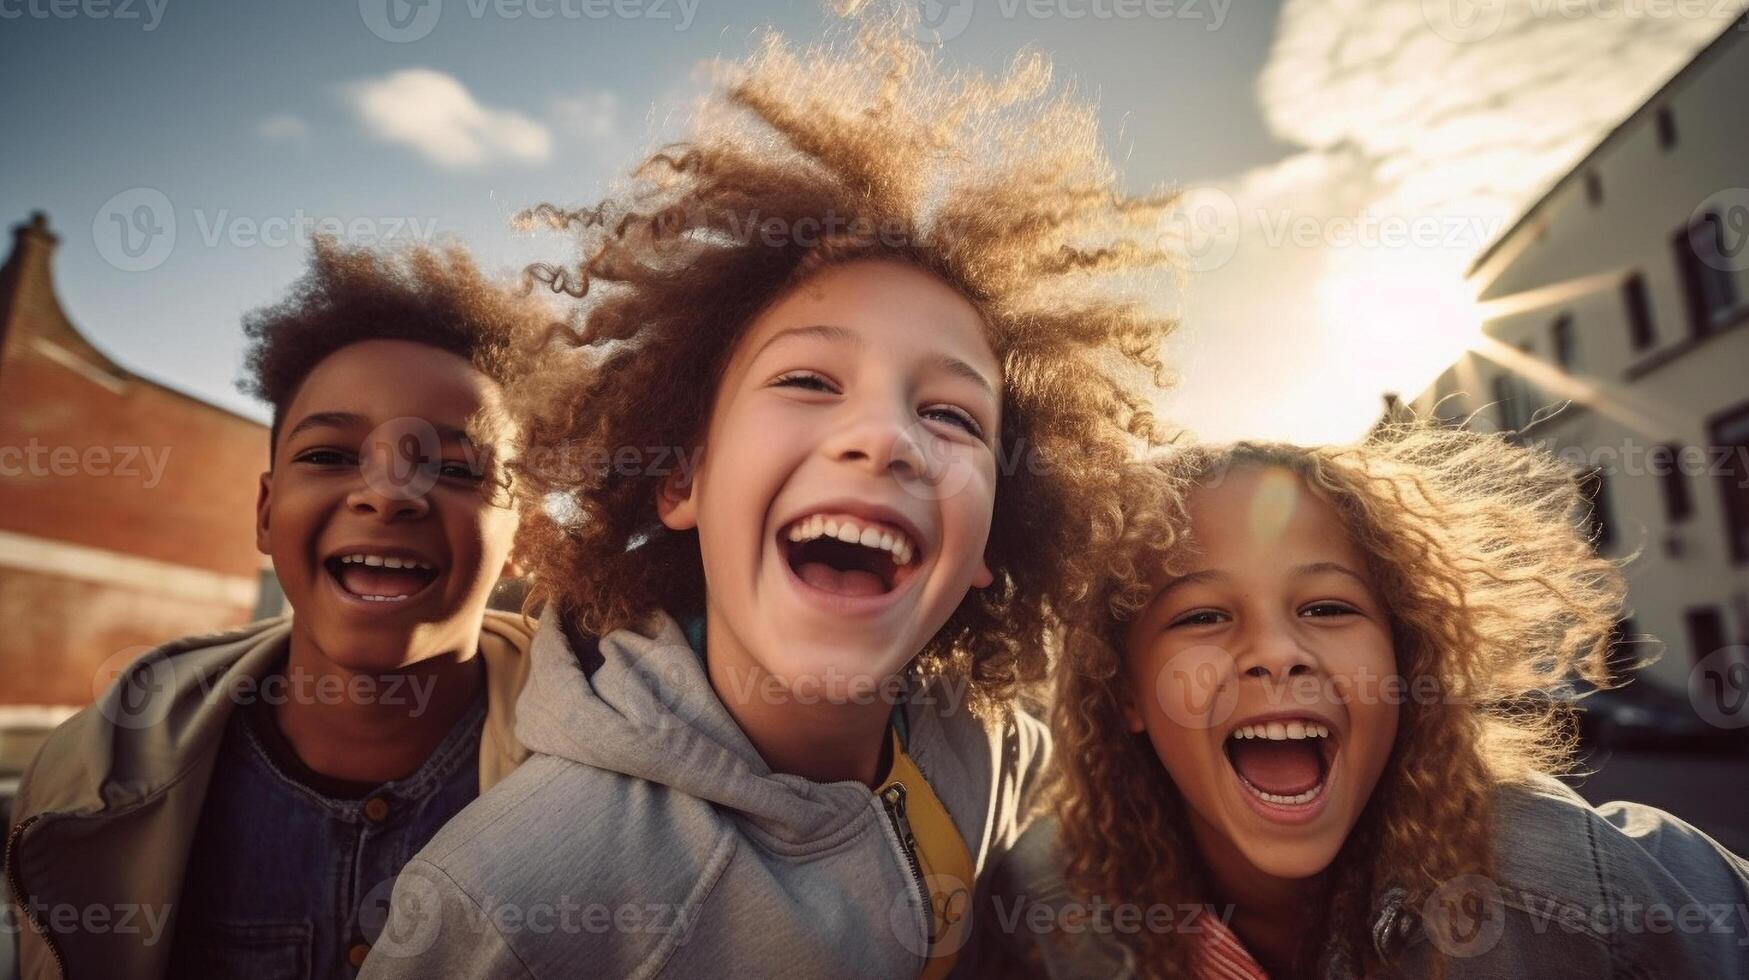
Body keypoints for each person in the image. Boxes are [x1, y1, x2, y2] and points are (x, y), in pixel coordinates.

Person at [359, 5, 1178, 978]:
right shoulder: (508, 902)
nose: (885, 436)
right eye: (807, 380)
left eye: (952, 415)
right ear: (682, 476)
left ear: (996, 533)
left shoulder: (985, 744)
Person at [5, 239, 547, 980]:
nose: (388, 494)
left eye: (454, 469)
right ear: (265, 513)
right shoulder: (85, 777)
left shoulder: (601, 776)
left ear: (523, 538)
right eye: (328, 456)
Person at [1025, 426, 1749, 979]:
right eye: (1200, 616)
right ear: (1125, 693)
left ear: (1405, 663)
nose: (1277, 651)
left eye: (1328, 607)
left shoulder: (1567, 883)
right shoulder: (1047, 911)